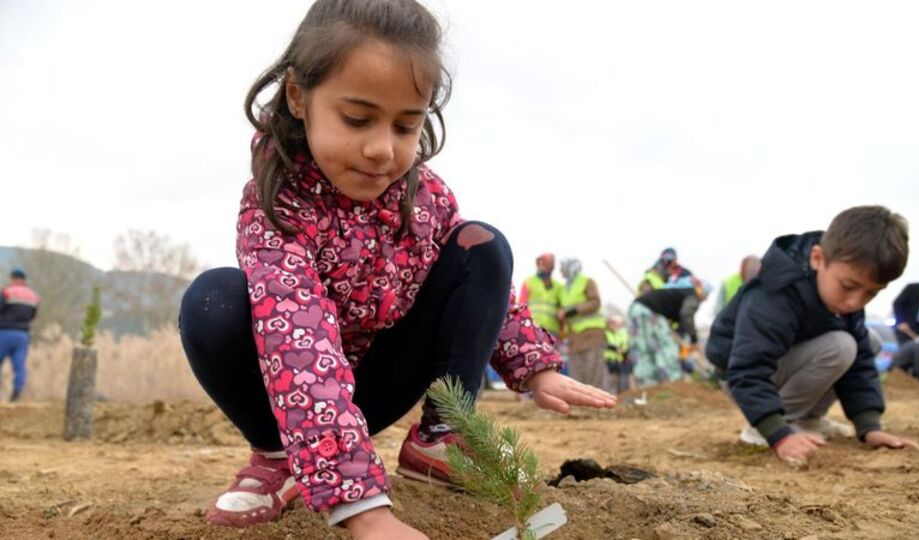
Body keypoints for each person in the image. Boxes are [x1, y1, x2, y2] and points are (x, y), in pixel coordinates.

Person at [177, 2, 617, 537]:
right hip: (292, 390)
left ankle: (443, 436)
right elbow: (300, 344)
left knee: (482, 245)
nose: (382, 149)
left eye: (407, 125)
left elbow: (470, 290)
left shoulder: (424, 197)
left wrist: (534, 364)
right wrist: (363, 512)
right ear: (298, 96)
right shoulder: (276, 209)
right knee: (213, 300)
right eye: (357, 119)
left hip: (378, 383)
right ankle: (277, 456)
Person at [706, 206, 919, 467]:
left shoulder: (845, 295)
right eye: (849, 286)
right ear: (817, 259)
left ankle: (808, 420)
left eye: (871, 293)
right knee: (841, 346)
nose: (856, 301)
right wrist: (777, 433)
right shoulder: (776, 291)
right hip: (737, 373)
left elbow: (861, 361)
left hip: (777, 367)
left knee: (866, 342)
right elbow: (748, 367)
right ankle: (768, 427)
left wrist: (868, 425)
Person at [557, 258, 609, 391]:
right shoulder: (563, 289)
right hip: (575, 337)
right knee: (577, 373)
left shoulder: (587, 282)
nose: (561, 271)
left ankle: (597, 403)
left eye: (563, 268)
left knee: (593, 371)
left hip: (592, 334)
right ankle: (582, 403)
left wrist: (572, 311)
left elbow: (595, 302)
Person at [0, 268, 39, 402]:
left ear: (13, 278)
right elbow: (33, 316)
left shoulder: (6, 292)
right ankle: (16, 395)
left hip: (4, 332)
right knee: (19, 366)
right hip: (23, 335)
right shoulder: (33, 296)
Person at [519, 253, 562, 337]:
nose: (541, 266)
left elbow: (561, 309)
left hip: (552, 330)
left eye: (544, 264)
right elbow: (521, 305)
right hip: (533, 327)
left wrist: (562, 330)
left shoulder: (558, 286)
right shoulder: (529, 281)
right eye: (539, 263)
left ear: (551, 267)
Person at [604, 314, 631, 394]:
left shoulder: (624, 333)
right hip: (610, 361)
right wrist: (615, 348)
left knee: (624, 382)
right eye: (611, 322)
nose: (613, 325)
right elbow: (605, 344)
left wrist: (624, 351)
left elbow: (627, 344)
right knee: (611, 383)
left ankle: (623, 395)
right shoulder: (605, 333)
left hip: (622, 360)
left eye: (615, 323)